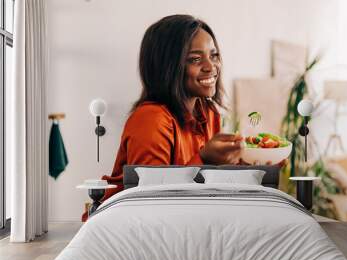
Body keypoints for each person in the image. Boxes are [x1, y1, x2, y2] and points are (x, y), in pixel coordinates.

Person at [81, 15, 243, 222]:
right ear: (168, 66)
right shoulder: (151, 119)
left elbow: (210, 183)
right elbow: (152, 197)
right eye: (195, 59)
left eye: (214, 55)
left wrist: (253, 162)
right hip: (122, 222)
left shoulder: (208, 112)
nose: (211, 67)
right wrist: (205, 159)